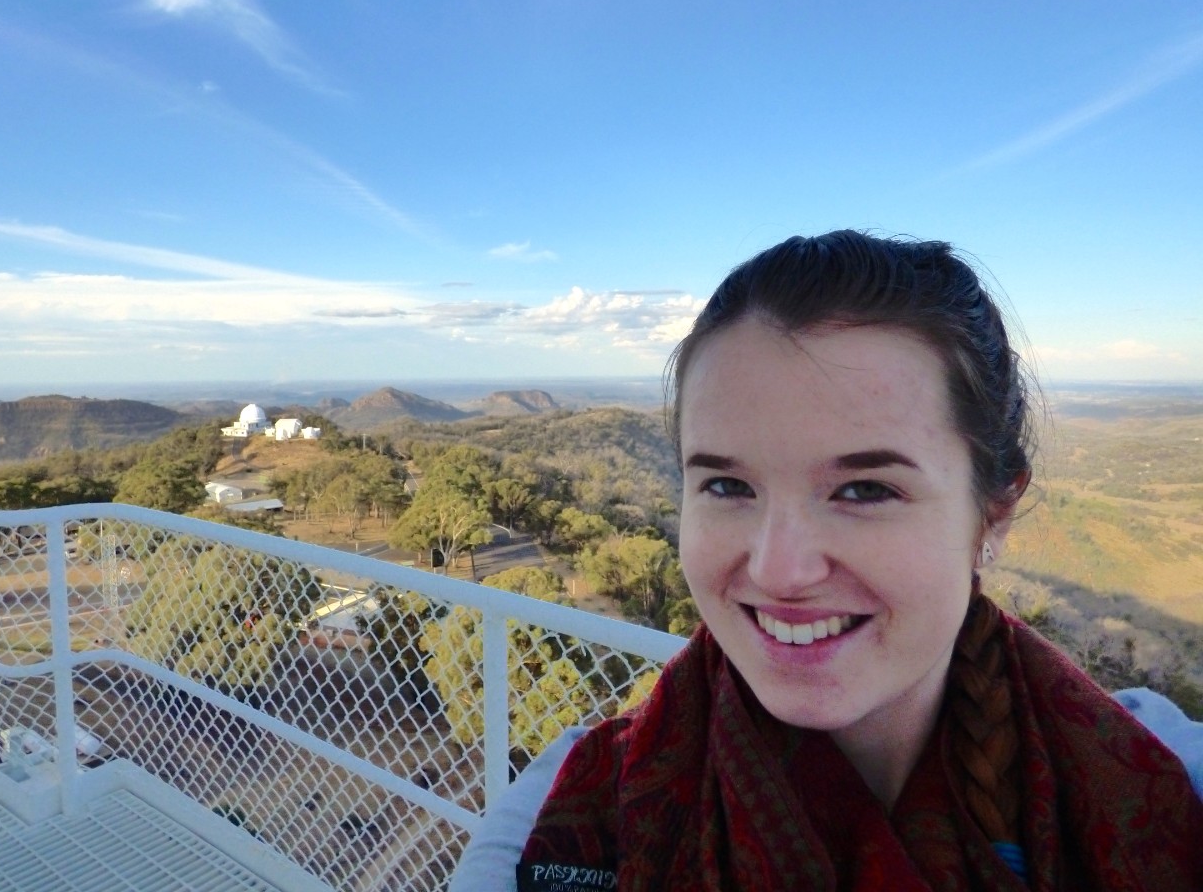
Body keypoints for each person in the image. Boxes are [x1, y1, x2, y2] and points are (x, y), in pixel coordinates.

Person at [450, 230, 1203, 891]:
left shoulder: (1164, 773)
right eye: (726, 484)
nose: (780, 571)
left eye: (865, 488)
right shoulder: (557, 818)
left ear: (992, 515)